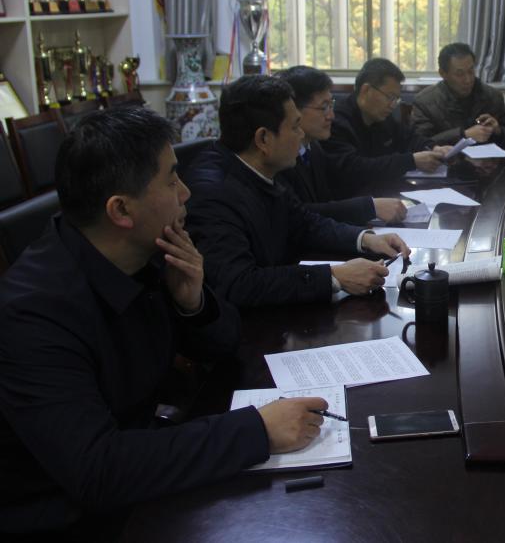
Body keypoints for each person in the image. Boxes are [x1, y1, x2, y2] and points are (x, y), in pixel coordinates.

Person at [0, 107, 328, 536]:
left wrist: (193, 303)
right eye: (172, 180)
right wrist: (257, 430)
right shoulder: (33, 314)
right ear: (121, 209)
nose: (186, 193)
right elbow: (98, 469)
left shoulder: (147, 251)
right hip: (66, 515)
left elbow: (227, 343)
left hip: (143, 465)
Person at [184, 74, 410, 308]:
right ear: (263, 139)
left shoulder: (261, 168)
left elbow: (305, 223)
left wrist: (366, 239)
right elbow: (239, 284)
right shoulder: (214, 195)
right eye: (294, 127)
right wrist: (334, 276)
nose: (301, 135)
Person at [276, 65, 407, 225]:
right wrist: (369, 207)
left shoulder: (314, 148)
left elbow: (328, 202)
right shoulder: (279, 157)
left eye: (331, 105)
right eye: (324, 107)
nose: (331, 116)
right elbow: (297, 214)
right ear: (293, 110)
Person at [322, 58, 450, 197]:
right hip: (353, 200)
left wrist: (433, 147)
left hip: (383, 193)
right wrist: (410, 161)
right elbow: (354, 168)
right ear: (366, 90)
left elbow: (408, 138)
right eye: (390, 97)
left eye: (396, 99)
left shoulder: (381, 118)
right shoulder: (336, 121)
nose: (393, 105)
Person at [410, 43, 505, 150]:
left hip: (485, 159)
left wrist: (498, 131)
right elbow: (419, 144)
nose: (468, 80)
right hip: (444, 160)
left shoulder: (492, 96)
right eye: (459, 74)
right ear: (443, 73)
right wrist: (463, 135)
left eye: (471, 71)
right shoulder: (424, 102)